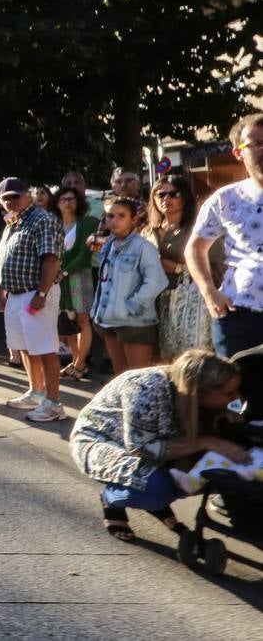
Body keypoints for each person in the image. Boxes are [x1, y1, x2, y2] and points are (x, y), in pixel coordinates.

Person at [70, 349, 245, 541]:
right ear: (199, 391)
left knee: (219, 473)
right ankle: (113, 498)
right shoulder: (144, 387)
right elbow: (141, 447)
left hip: (155, 445)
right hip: (100, 440)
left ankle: (158, 502)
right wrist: (204, 442)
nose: (236, 398)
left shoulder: (193, 392)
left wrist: (223, 419)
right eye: (229, 393)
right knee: (156, 488)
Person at [187, 113, 263, 358]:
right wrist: (209, 291)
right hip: (239, 314)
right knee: (238, 392)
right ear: (239, 153)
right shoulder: (226, 199)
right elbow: (195, 248)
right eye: (257, 144)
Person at [0, 177, 67, 423]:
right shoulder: (13, 222)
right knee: (24, 345)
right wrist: (4, 291)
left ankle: (54, 402)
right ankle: (36, 391)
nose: (11, 201)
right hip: (16, 293)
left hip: (35, 292)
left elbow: (51, 259)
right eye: (6, 198)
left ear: (28, 195)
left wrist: (42, 293)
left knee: (45, 347)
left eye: (16, 196)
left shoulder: (42, 220)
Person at [144, 174, 224, 361]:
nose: (166, 199)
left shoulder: (199, 229)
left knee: (193, 358)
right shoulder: (149, 230)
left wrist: (180, 268)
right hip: (156, 302)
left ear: (185, 197)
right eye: (160, 194)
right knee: (165, 359)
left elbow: (219, 268)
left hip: (192, 302)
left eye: (174, 194)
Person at [90, 198, 168, 372]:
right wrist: (96, 311)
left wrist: (133, 306)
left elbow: (156, 281)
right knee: (120, 376)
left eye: (121, 216)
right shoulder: (108, 246)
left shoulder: (143, 247)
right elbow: (104, 283)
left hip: (135, 323)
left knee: (138, 377)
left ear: (133, 219)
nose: (114, 220)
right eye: (110, 216)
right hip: (109, 319)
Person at [56, 187, 99, 381]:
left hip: (79, 276)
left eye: (71, 199)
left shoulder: (86, 223)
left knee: (82, 320)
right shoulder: (54, 224)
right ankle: (74, 361)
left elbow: (85, 253)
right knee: (68, 323)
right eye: (63, 199)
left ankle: (81, 364)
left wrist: (64, 271)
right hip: (58, 279)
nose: (67, 202)